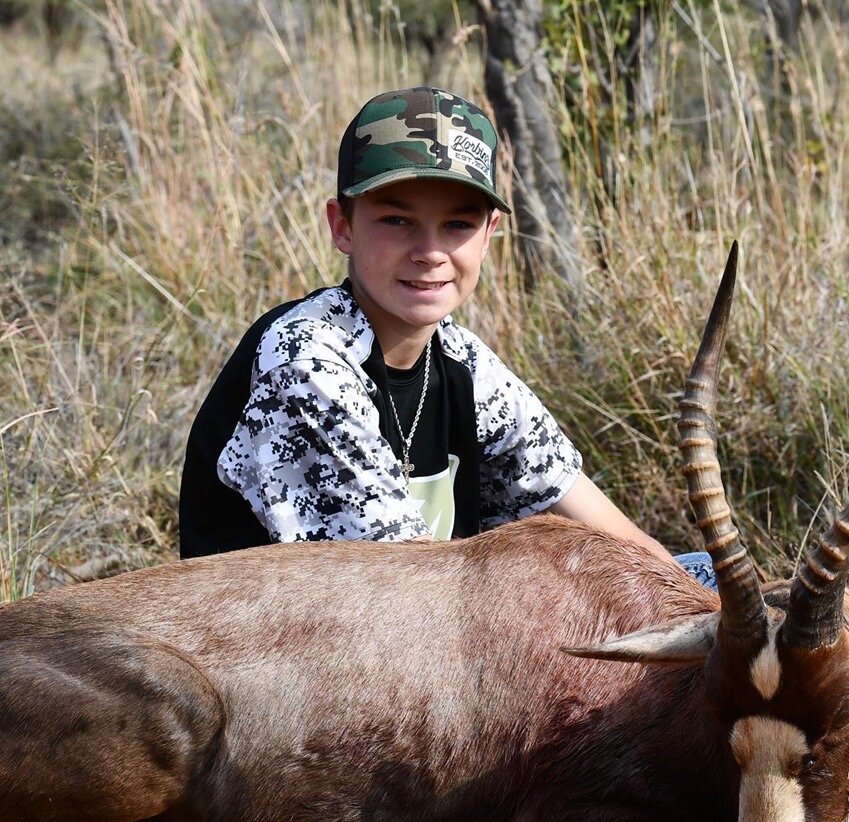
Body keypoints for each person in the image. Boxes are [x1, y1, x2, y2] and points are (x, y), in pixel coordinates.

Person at [179, 85, 715, 588]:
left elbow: (623, 542)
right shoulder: (305, 356)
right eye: (396, 220)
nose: (430, 253)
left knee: (703, 580)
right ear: (342, 225)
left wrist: (696, 606)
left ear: (488, 237)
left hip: (420, 627)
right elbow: (399, 592)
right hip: (284, 652)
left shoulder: (459, 360)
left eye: (457, 226)